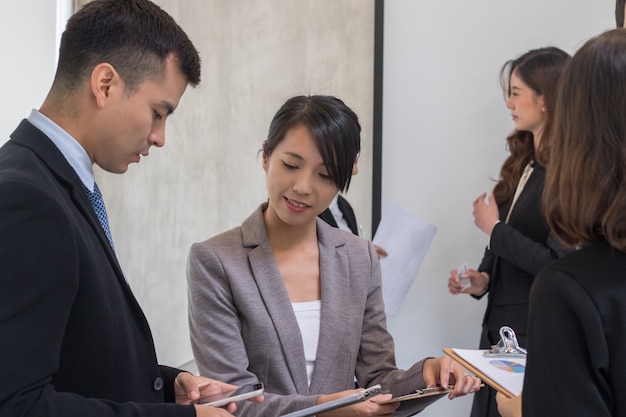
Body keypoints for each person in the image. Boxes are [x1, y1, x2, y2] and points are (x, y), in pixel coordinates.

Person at [0, 1, 261, 416]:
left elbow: (72, 357)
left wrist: (165, 385)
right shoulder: (27, 199)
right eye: (158, 113)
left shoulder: (51, 182)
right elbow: (17, 404)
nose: (160, 137)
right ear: (105, 84)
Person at [187, 95, 482, 417]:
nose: (303, 186)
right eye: (290, 165)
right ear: (266, 156)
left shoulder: (359, 257)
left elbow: (378, 380)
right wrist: (326, 409)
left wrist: (426, 374)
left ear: (344, 178)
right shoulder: (216, 260)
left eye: (325, 176)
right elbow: (232, 401)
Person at [446, 47, 571, 417]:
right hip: (499, 338)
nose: (508, 103)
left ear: (545, 99)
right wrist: (482, 279)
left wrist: (494, 228)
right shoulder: (524, 163)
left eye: (516, 92)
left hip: (533, 338)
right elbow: (512, 252)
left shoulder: (567, 175)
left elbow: (555, 263)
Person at [318, 163, 388, 259]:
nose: (355, 171)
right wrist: (361, 256)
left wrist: (364, 252)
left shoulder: (345, 206)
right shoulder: (312, 209)